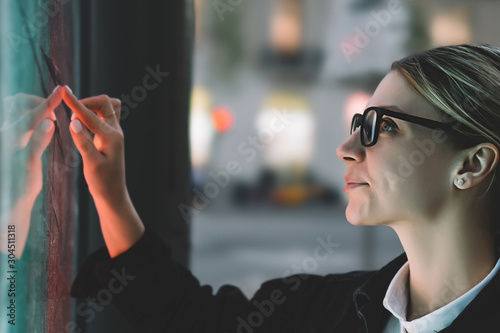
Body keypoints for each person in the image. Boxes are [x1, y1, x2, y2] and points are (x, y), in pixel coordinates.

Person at [65, 44, 500, 332]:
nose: (346, 148)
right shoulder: (325, 310)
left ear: (472, 163)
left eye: (381, 126)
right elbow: (187, 317)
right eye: (356, 124)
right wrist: (109, 193)